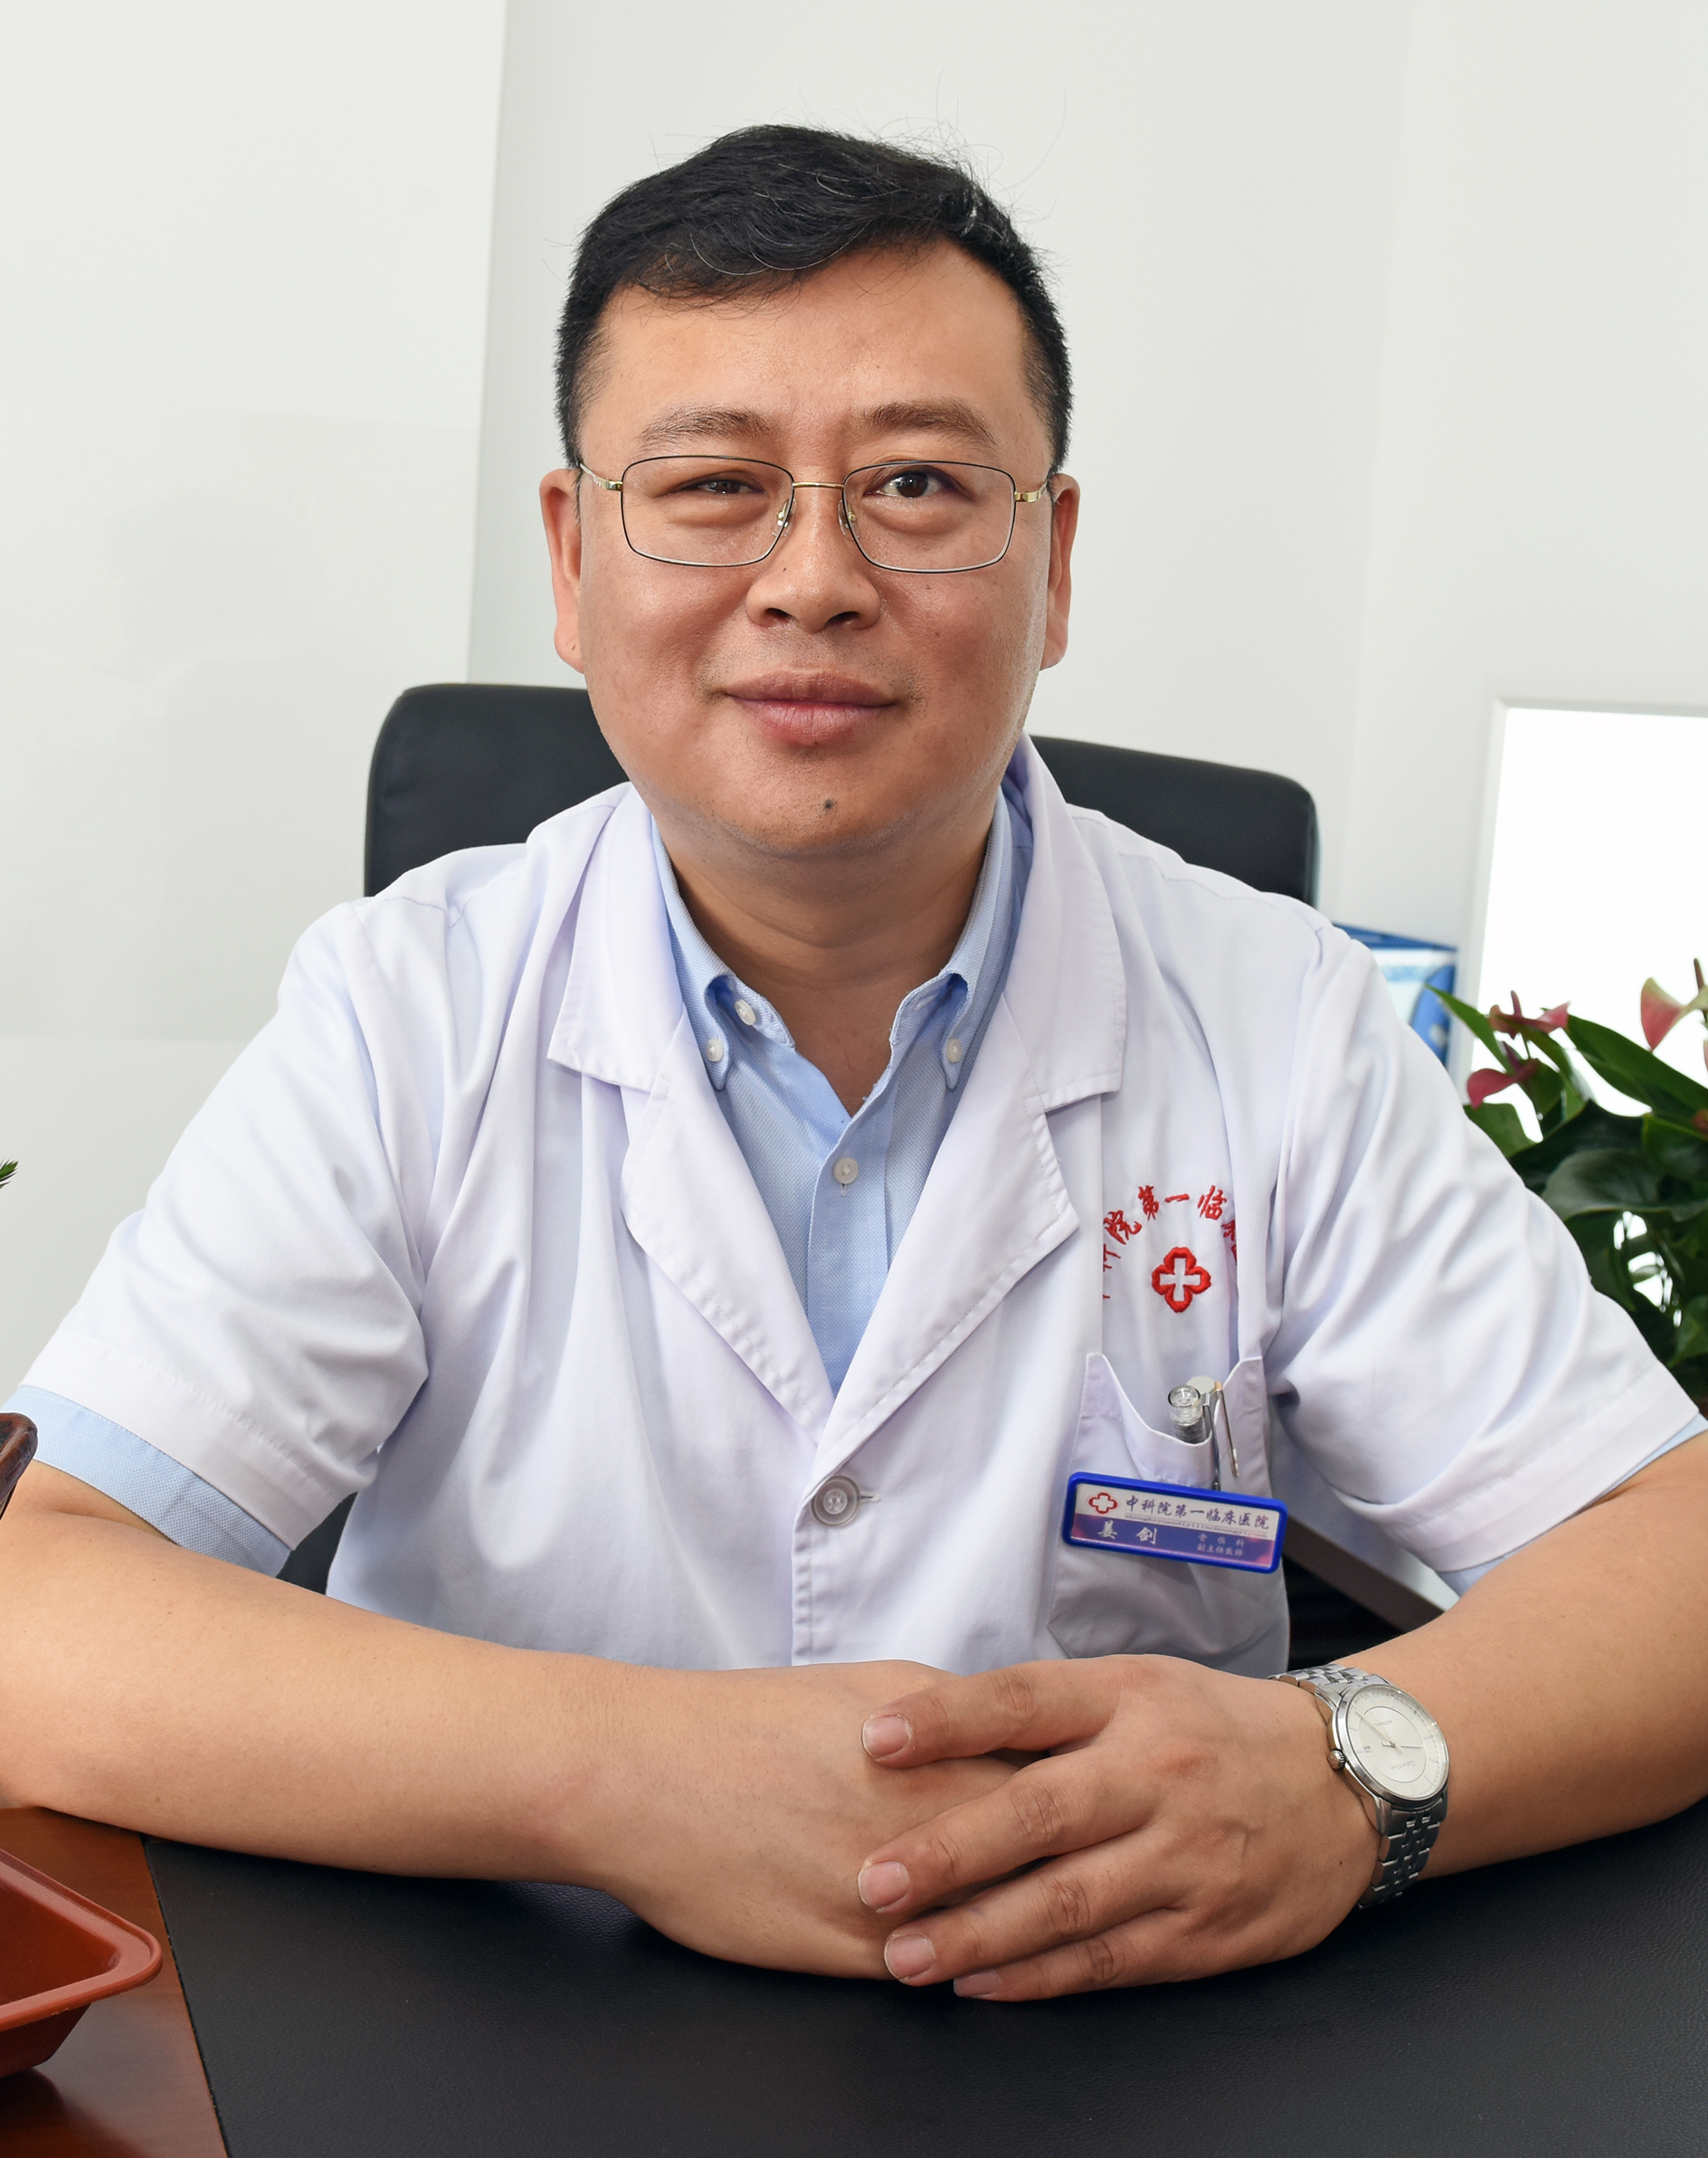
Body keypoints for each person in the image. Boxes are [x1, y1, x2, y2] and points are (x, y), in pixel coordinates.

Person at [3, 126, 1705, 2004]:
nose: (811, 579)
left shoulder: (1271, 1014)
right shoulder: (408, 1009)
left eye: (914, 484)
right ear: (571, 559)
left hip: (1122, 2046)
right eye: (712, 486)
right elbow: (37, 1610)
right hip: (501, 2017)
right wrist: (623, 1780)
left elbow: (1671, 1558)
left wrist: (1346, 1773)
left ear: (1053, 562)